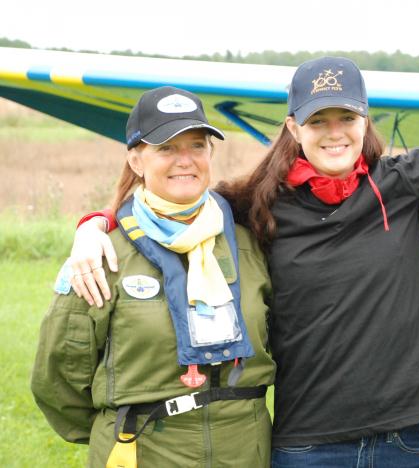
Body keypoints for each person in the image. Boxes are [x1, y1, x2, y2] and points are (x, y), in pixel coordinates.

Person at [66, 58, 419, 467]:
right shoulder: (255, 204)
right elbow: (176, 202)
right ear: (294, 128)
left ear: (366, 120)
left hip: (403, 440)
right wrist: (97, 224)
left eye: (346, 117)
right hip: (306, 443)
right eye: (318, 120)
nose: (335, 132)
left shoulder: (407, 180)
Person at [31, 86, 275, 467]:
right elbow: (58, 375)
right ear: (136, 160)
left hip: (244, 451)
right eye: (166, 148)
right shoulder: (103, 252)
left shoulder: (250, 240)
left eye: (197, 145)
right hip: (143, 449)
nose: (185, 160)